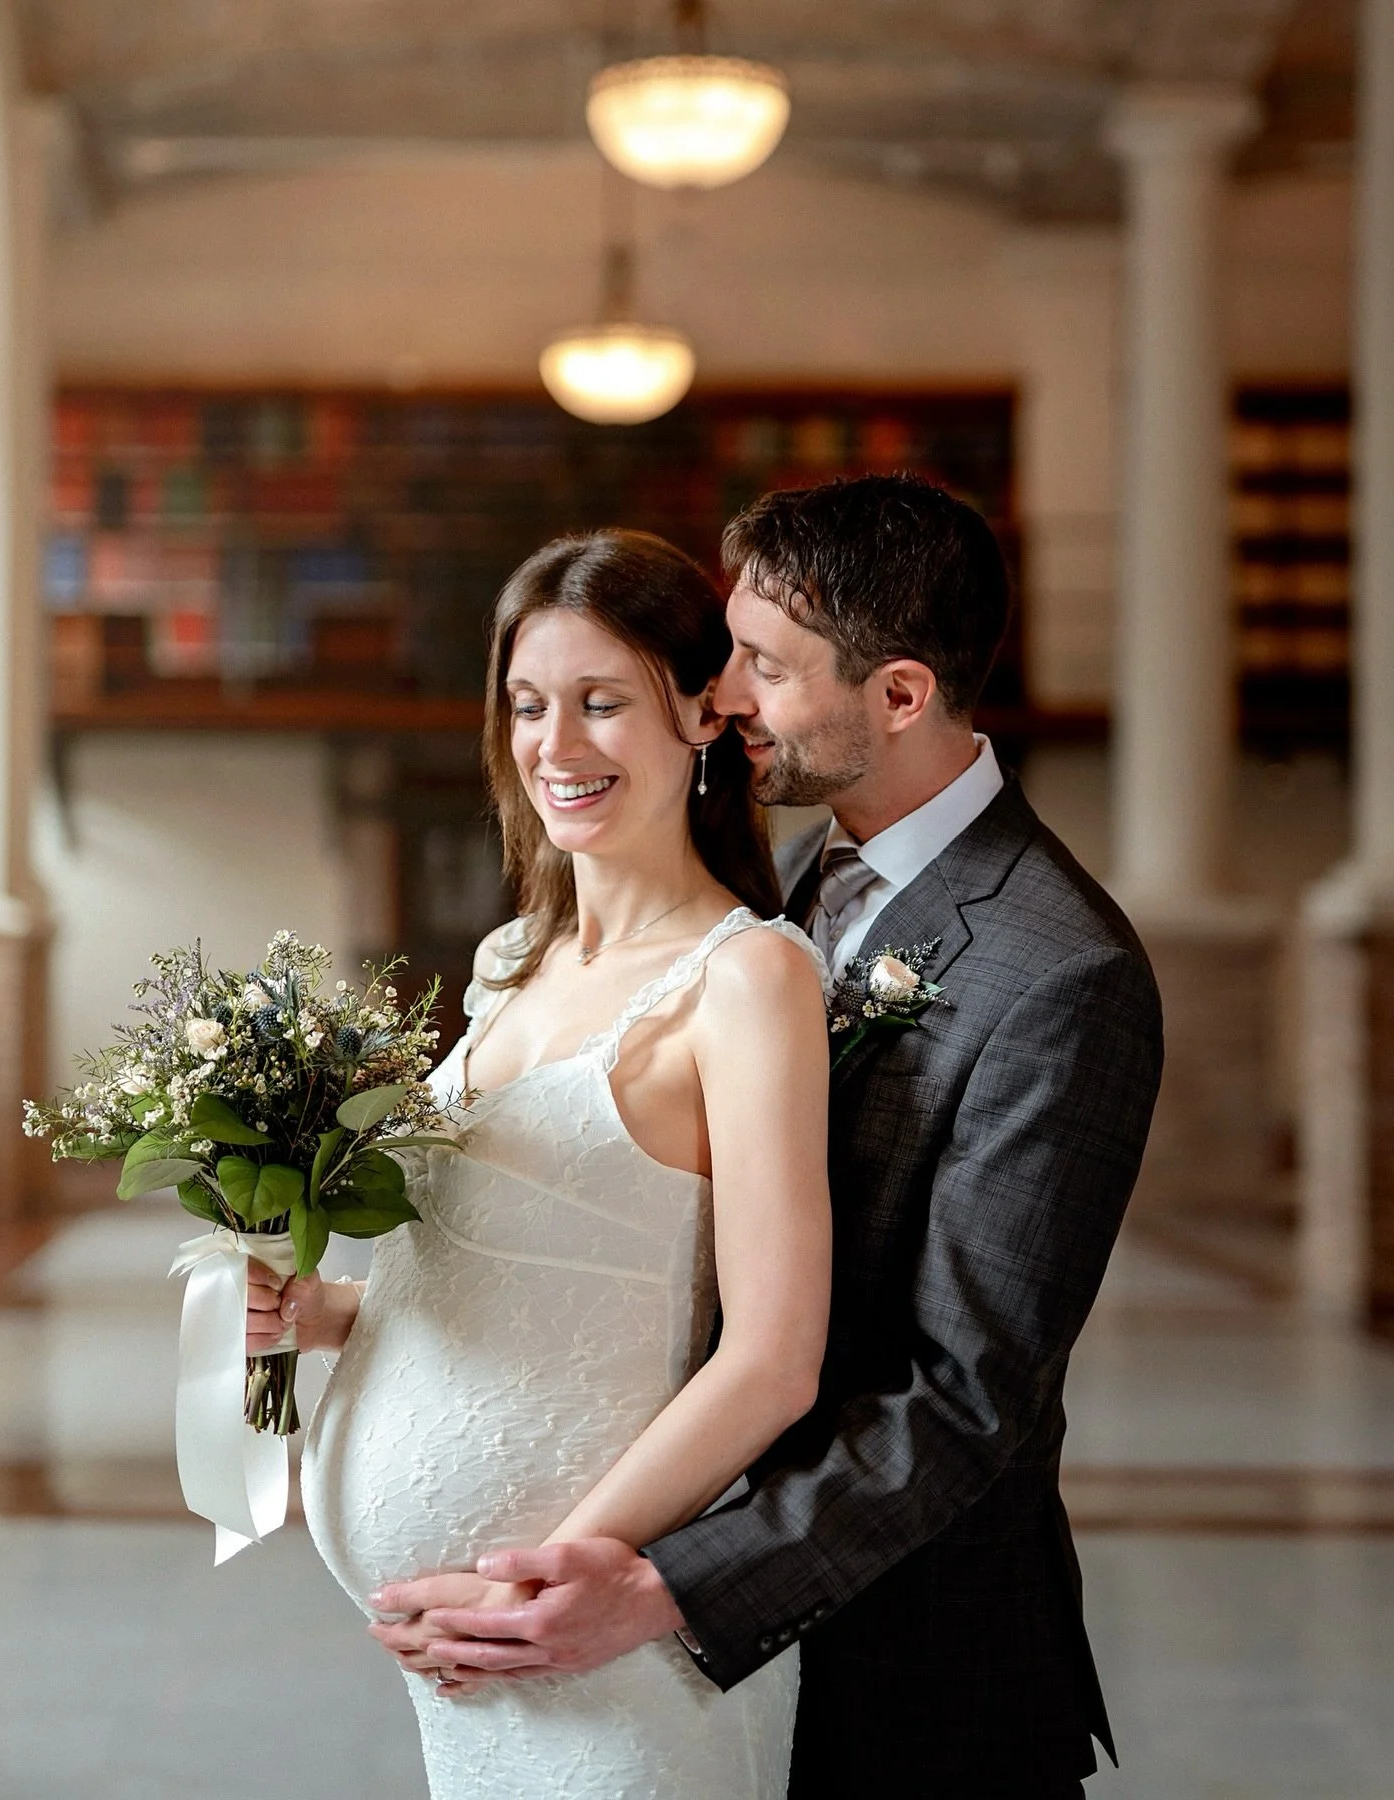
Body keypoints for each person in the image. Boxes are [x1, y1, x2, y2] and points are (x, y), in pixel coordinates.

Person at [381, 474, 1165, 1798]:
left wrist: (663, 1587)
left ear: (900, 695)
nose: (723, 696)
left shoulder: (1060, 972)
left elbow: (965, 1395)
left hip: (913, 1672)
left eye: (763, 666)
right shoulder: (797, 878)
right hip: (696, 1663)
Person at [249, 528, 832, 1798]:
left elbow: (774, 1361)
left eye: (601, 702)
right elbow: (529, 1274)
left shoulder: (749, 980)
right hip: (464, 1666)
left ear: (699, 712)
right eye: (528, 705)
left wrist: (541, 1588)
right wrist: (323, 1312)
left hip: (594, 1643)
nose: (556, 746)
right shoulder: (517, 959)